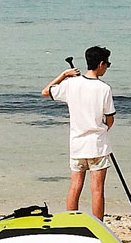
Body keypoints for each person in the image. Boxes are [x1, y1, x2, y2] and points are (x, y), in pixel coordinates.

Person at [41, 46, 115, 220]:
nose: (107, 68)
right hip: (98, 145)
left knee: (75, 186)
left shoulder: (70, 84)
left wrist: (64, 75)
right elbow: (110, 119)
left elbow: (45, 92)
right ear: (101, 64)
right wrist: (103, 129)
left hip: (77, 145)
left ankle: (71, 222)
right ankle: (98, 227)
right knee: (97, 190)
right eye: (107, 64)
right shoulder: (104, 88)